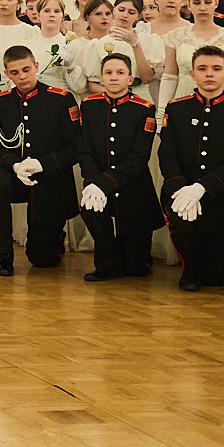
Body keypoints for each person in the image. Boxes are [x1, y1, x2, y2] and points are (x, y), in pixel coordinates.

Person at [158, 44, 224, 290]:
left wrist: (203, 188)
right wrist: (181, 188)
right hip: (182, 191)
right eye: (202, 69)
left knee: (216, 278)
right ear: (192, 74)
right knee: (192, 266)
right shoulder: (176, 108)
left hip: (220, 197)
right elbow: (167, 154)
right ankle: (189, 269)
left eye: (216, 68)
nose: (209, 73)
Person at [0, 47, 81, 276]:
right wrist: (14, 165)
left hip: (49, 172)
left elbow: (75, 147)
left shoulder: (61, 99)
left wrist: (43, 164)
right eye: (15, 73)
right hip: (15, 170)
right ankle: (4, 253)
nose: (22, 77)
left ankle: (54, 236)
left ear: (36, 66)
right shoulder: (1, 102)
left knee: (42, 260)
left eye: (26, 70)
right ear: (7, 74)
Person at [74, 53, 159, 281]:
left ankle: (134, 255)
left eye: (120, 73)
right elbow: (84, 148)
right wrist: (93, 181)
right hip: (97, 179)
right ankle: (106, 262)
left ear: (130, 79)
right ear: (101, 78)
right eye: (108, 73)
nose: (114, 77)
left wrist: (105, 183)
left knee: (136, 269)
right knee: (91, 205)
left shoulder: (144, 108)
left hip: (133, 187)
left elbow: (139, 157)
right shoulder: (89, 106)